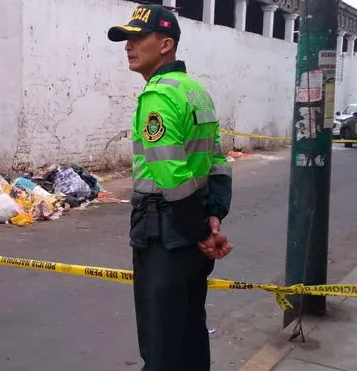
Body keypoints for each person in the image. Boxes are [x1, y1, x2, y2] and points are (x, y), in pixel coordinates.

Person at [107, 5, 234, 371]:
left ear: (166, 44)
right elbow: (218, 163)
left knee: (161, 342)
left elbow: (172, 177)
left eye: (137, 37)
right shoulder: (196, 91)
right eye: (126, 39)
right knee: (190, 333)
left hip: (166, 233)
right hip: (192, 229)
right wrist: (213, 219)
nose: (129, 46)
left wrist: (199, 234)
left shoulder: (158, 96)